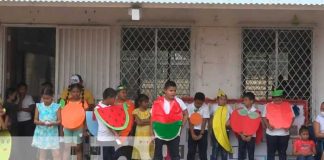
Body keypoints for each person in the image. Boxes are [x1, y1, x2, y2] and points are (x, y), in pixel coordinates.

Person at [151, 80, 188, 160]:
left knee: (175, 156)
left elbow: (186, 114)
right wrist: (152, 133)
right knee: (157, 156)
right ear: (165, 90)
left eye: (174, 91)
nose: (173, 93)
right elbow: (153, 118)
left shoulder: (179, 101)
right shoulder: (157, 102)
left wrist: (181, 125)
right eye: (171, 90)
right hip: (159, 133)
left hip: (174, 133)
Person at [262, 89, 295, 160]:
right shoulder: (267, 105)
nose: (277, 99)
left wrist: (289, 126)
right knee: (271, 153)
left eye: (278, 97)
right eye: (275, 97)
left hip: (284, 133)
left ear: (282, 97)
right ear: (272, 98)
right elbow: (264, 117)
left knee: (282, 153)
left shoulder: (288, 105)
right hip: (271, 133)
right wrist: (268, 125)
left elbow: (292, 117)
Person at [32, 88, 61, 160]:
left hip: (52, 132)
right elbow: (35, 120)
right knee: (42, 153)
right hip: (42, 132)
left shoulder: (57, 106)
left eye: (47, 98)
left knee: (56, 153)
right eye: (44, 98)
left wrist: (52, 123)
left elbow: (59, 121)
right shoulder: (39, 106)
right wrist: (41, 123)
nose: (45, 100)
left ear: (52, 97)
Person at [62, 83, 89, 160]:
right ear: (70, 92)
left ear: (80, 92)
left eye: (77, 92)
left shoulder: (84, 102)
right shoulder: (64, 102)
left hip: (79, 128)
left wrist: (85, 130)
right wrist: (61, 130)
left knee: (78, 149)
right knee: (67, 148)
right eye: (73, 91)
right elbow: (61, 116)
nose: (75, 93)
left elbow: (86, 118)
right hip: (67, 128)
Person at [235, 92, 262, 160]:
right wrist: (241, 134)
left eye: (246, 100)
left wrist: (250, 135)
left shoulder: (256, 112)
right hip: (241, 135)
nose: (244, 101)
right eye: (244, 100)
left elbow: (256, 125)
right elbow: (238, 124)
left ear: (252, 101)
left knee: (251, 154)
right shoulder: (240, 111)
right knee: (241, 154)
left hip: (251, 137)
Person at [95, 88, 119, 160]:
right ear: (109, 97)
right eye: (114, 98)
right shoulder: (98, 108)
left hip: (111, 138)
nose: (115, 100)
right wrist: (115, 133)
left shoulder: (111, 107)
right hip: (103, 139)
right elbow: (107, 123)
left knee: (112, 157)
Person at [210, 89, 233, 160]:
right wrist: (211, 126)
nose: (223, 101)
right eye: (221, 99)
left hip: (225, 130)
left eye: (225, 99)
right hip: (216, 130)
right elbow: (210, 117)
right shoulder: (214, 107)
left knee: (224, 148)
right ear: (217, 100)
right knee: (215, 147)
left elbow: (233, 116)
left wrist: (229, 120)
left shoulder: (228, 107)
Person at [187, 92, 209, 160]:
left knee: (203, 152)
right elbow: (190, 121)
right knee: (191, 151)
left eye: (200, 103)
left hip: (203, 131)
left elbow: (204, 120)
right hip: (192, 130)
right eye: (197, 103)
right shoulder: (189, 107)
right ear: (194, 100)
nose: (199, 105)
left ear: (203, 102)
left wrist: (201, 134)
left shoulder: (205, 107)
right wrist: (192, 134)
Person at [132, 94, 152, 160]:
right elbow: (139, 123)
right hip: (139, 135)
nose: (147, 103)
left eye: (147, 102)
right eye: (145, 102)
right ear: (139, 103)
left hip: (148, 134)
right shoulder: (136, 111)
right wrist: (147, 121)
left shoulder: (150, 111)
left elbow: (152, 121)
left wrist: (142, 120)